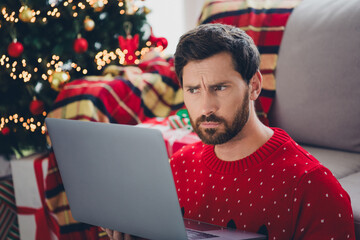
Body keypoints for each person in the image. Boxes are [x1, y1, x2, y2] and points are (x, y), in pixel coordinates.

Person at [104, 23, 355, 240]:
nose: (206, 107)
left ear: (254, 86)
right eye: (193, 90)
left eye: (220, 88)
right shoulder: (176, 168)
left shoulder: (313, 187)